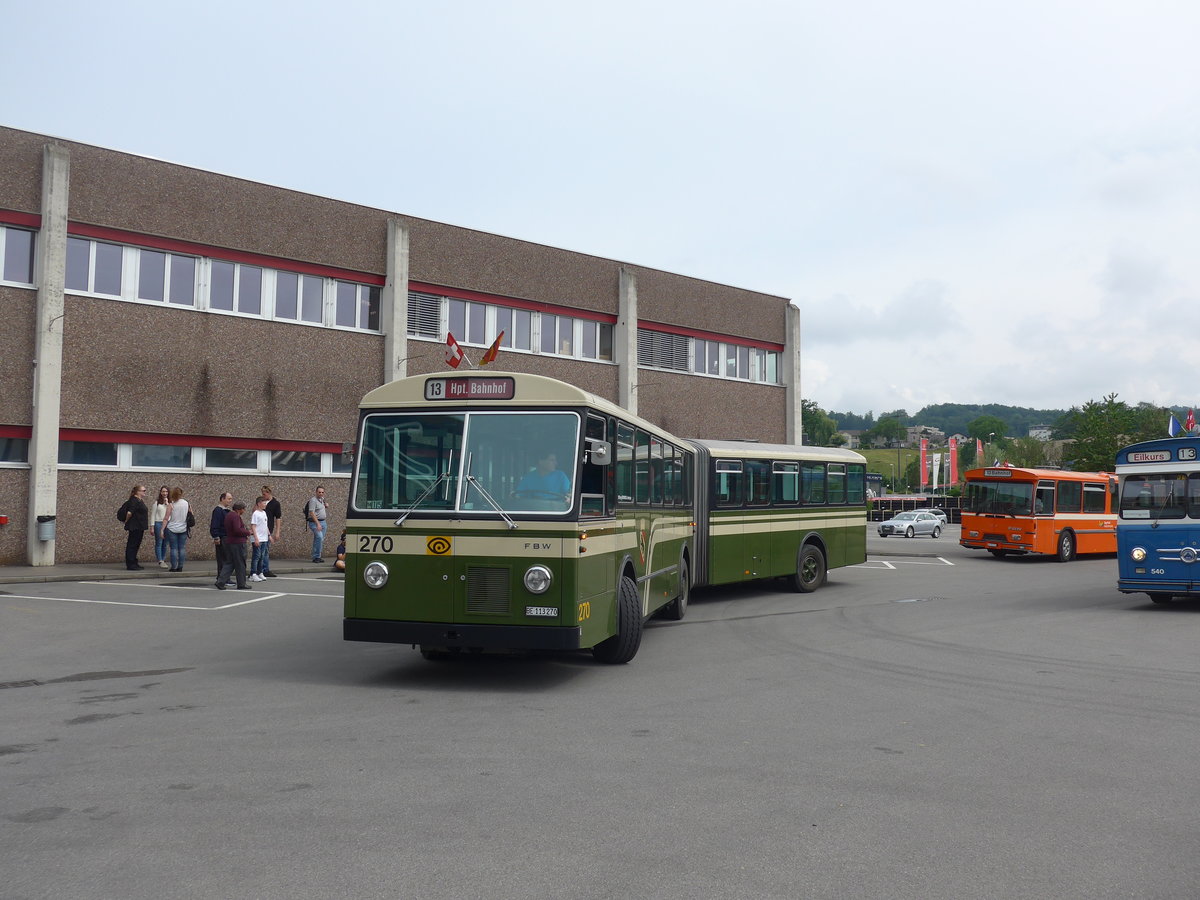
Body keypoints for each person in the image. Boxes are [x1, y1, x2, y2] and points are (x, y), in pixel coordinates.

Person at [215, 500, 250, 590]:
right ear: (239, 509)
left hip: (230, 542)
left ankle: (220, 581)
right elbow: (237, 530)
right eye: (243, 509)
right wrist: (248, 532)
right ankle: (242, 583)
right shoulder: (235, 516)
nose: (244, 511)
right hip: (238, 543)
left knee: (229, 563)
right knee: (240, 563)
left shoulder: (229, 515)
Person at [119, 484, 149, 570]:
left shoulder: (140, 500)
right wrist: (126, 521)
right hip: (135, 526)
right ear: (138, 492)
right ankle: (130, 563)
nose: (145, 492)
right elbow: (129, 512)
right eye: (143, 490)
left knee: (136, 544)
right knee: (132, 544)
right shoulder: (134, 500)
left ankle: (134, 562)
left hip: (139, 526)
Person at [163, 486, 190, 572]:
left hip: (172, 528)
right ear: (181, 494)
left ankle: (174, 567)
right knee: (182, 548)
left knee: (173, 548)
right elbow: (191, 514)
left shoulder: (171, 505)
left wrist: (162, 529)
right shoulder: (186, 503)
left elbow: (166, 518)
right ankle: (180, 566)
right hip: (183, 527)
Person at [210, 491, 234, 582]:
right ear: (222, 499)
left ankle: (224, 577)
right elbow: (215, 525)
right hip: (222, 537)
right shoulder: (218, 510)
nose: (230, 501)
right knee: (223, 559)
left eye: (231, 499)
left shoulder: (226, 510)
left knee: (226, 558)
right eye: (228, 499)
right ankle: (223, 578)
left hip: (227, 537)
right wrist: (216, 537)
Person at [260, 485, 282, 578]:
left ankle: (265, 569)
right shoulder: (261, 502)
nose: (263, 496)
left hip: (268, 527)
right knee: (261, 550)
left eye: (264, 494)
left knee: (265, 549)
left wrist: (277, 531)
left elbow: (278, 518)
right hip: (260, 527)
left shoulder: (275, 503)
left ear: (268, 493)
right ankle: (261, 569)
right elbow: (254, 511)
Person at [249, 496, 271, 582]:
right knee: (256, 556)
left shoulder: (264, 513)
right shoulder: (255, 513)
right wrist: (256, 538)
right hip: (258, 538)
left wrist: (269, 536)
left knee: (262, 556)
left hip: (264, 538)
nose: (265, 504)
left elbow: (265, 526)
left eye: (265, 503)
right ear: (259, 504)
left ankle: (260, 572)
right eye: (263, 503)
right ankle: (253, 574)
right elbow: (253, 526)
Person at [307, 484, 329, 563]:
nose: (321, 494)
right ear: (316, 492)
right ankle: (316, 556)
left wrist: (325, 506)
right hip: (315, 522)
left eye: (322, 492)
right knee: (319, 537)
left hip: (323, 521)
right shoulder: (313, 500)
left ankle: (317, 556)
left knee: (320, 539)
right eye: (319, 492)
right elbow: (312, 513)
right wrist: (318, 524)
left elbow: (320, 509)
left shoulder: (322, 499)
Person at [150, 485, 170, 568]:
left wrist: (167, 503)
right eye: (163, 491)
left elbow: (172, 513)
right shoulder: (157, 503)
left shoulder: (170, 503)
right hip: (159, 523)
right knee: (159, 542)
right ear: (160, 492)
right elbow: (153, 515)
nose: (165, 493)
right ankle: (160, 560)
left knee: (165, 543)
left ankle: (163, 558)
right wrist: (152, 526)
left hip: (168, 523)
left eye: (166, 491)